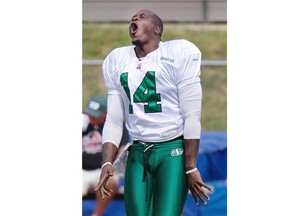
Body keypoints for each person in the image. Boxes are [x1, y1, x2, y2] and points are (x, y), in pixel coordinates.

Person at [95, 9, 212, 216]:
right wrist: (106, 162)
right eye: (133, 17)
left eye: (141, 17)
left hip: (171, 150)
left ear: (156, 29)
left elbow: (192, 115)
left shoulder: (178, 53)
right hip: (138, 150)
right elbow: (114, 119)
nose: (134, 19)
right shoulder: (117, 59)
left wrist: (191, 166)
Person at [82, 94, 129, 216]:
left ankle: (96, 214)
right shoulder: (83, 123)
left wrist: (116, 171)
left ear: (104, 113)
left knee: (110, 181)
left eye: (95, 114)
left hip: (102, 170)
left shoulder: (114, 125)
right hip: (82, 171)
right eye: (89, 113)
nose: (91, 117)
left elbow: (122, 150)